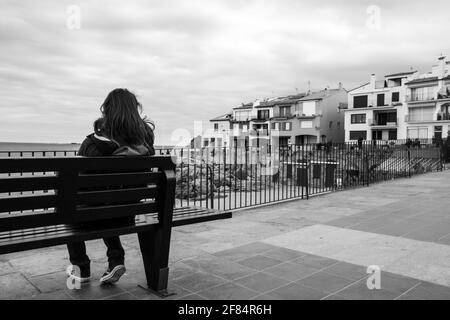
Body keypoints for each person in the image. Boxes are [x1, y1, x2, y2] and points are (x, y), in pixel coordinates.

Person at [66, 88, 155, 285]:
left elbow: (77, 184)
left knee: (69, 207)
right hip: (128, 214)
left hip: (95, 215)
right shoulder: (146, 142)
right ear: (134, 110)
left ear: (107, 110)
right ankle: (115, 259)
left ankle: (81, 267)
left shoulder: (92, 144)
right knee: (109, 203)